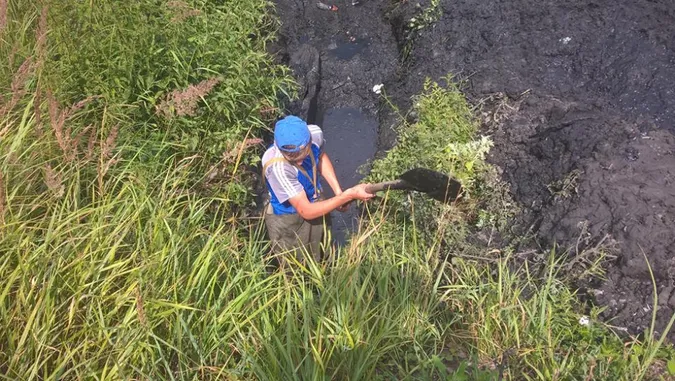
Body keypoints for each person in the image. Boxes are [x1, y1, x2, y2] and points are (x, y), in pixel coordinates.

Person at [262, 115, 374, 265]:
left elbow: (320, 156)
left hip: (314, 200)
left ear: (308, 140)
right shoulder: (277, 167)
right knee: (295, 266)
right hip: (289, 218)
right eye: (293, 160)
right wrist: (348, 196)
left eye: (303, 155)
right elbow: (306, 210)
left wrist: (338, 192)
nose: (300, 162)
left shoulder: (314, 133)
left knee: (322, 250)